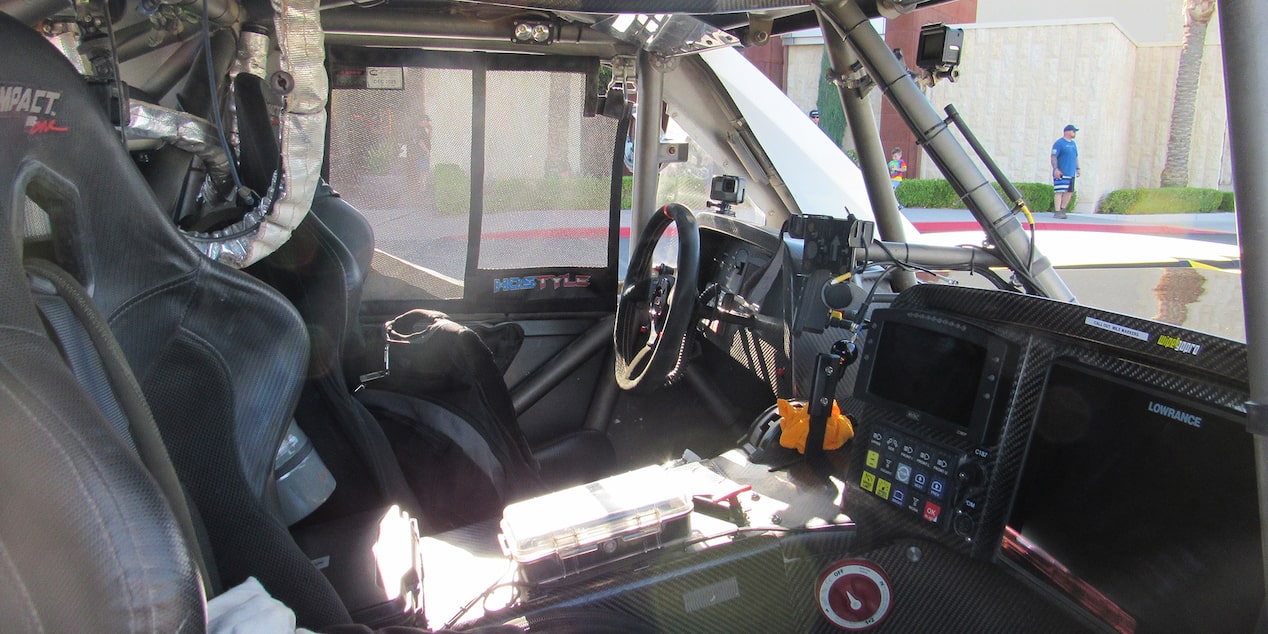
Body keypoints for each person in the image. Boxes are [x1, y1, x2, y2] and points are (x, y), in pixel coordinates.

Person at [1051, 124, 1080, 218]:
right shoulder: (1059, 143)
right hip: (1061, 172)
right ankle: (1057, 211)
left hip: (1071, 173)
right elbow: (1053, 156)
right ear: (1067, 131)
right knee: (1059, 191)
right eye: (1073, 131)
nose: (1074, 133)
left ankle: (1063, 209)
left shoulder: (1073, 144)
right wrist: (1056, 169)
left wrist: (1078, 168)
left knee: (1069, 192)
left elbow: (1076, 157)